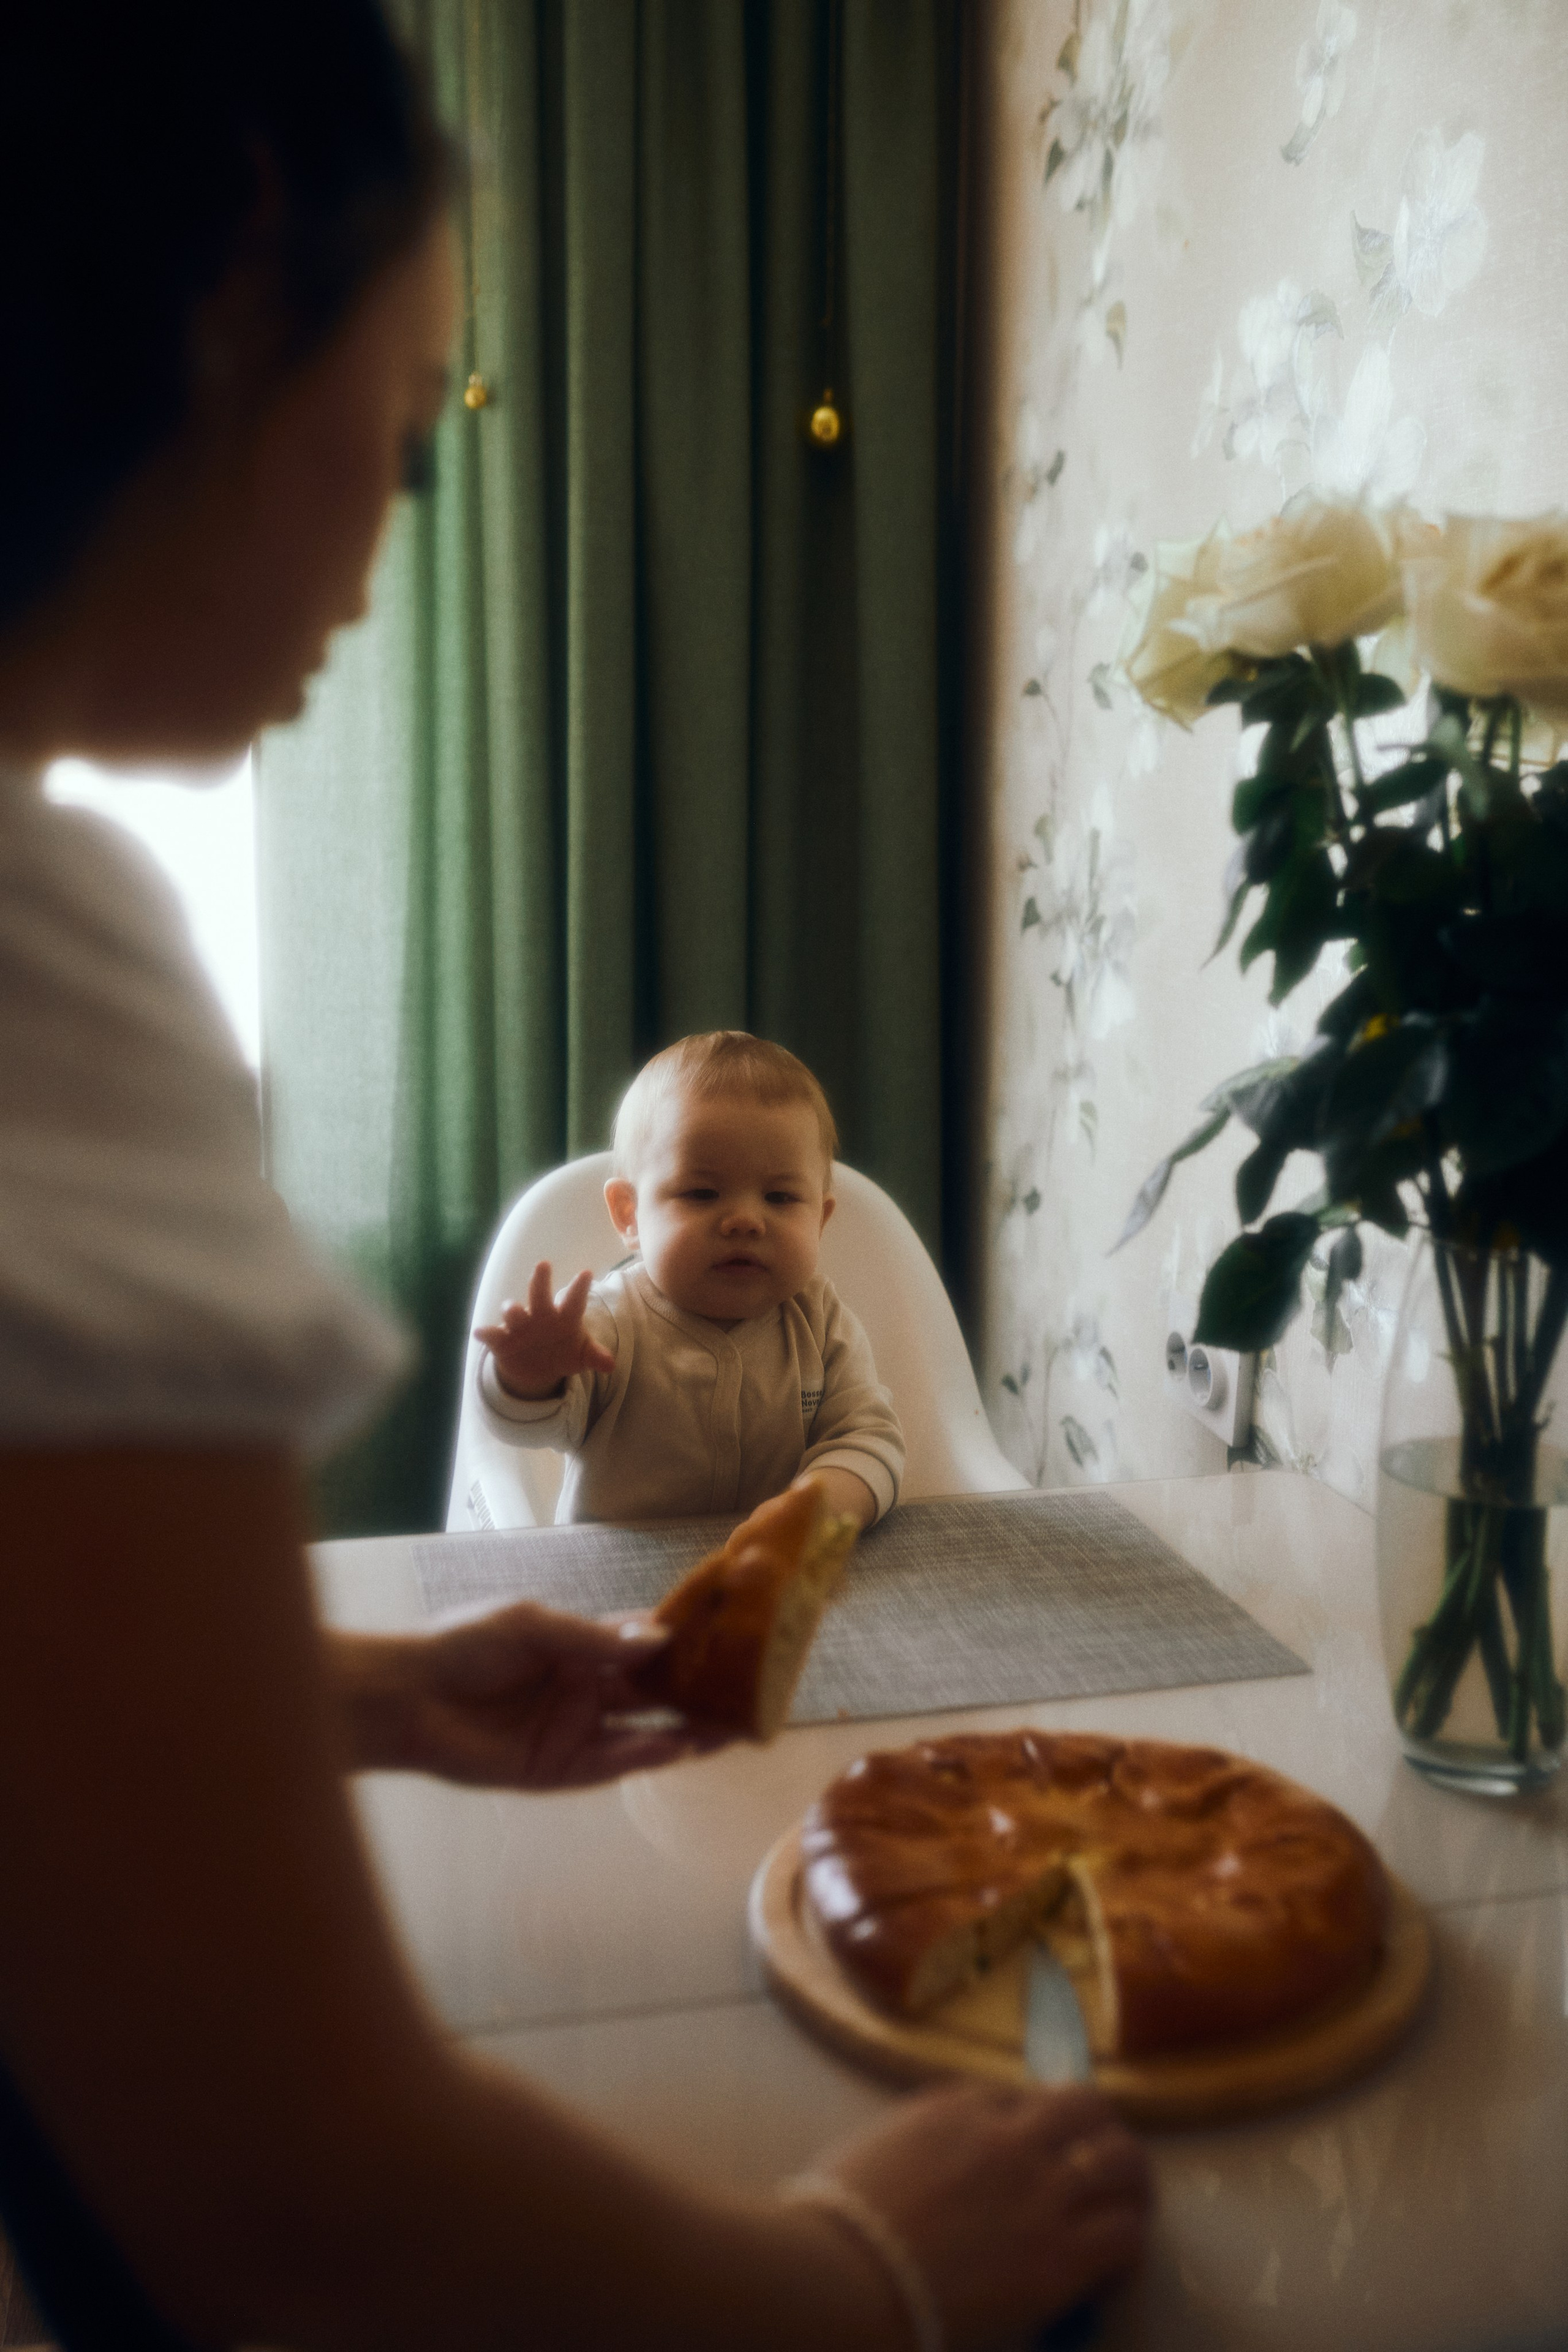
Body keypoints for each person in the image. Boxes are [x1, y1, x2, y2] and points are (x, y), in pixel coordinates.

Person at [0, 5, 1154, 2349]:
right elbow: (303, 2198)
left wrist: (362, 1695)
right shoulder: (51, 961)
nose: (391, 517)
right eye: (411, 431)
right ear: (236, 288)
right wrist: (860, 2270)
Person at [474, 1031, 905, 1529]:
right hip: (619, 1579)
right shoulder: (606, 1325)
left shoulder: (822, 1324)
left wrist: (814, 1511)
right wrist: (530, 1377)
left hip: (767, 1578)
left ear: (821, 1218)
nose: (745, 1220)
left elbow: (870, 1441)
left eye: (781, 1198)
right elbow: (522, 1431)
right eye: (701, 1193)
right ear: (629, 1214)